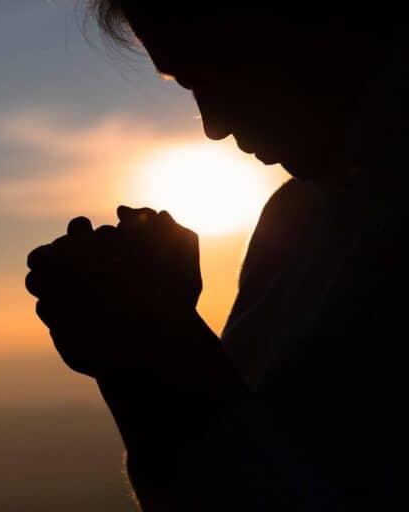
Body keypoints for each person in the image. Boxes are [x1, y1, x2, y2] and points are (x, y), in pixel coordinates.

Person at [25, 5, 408, 511]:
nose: (213, 124)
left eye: (218, 65)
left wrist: (167, 346)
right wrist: (135, 363)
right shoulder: (295, 220)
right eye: (189, 82)